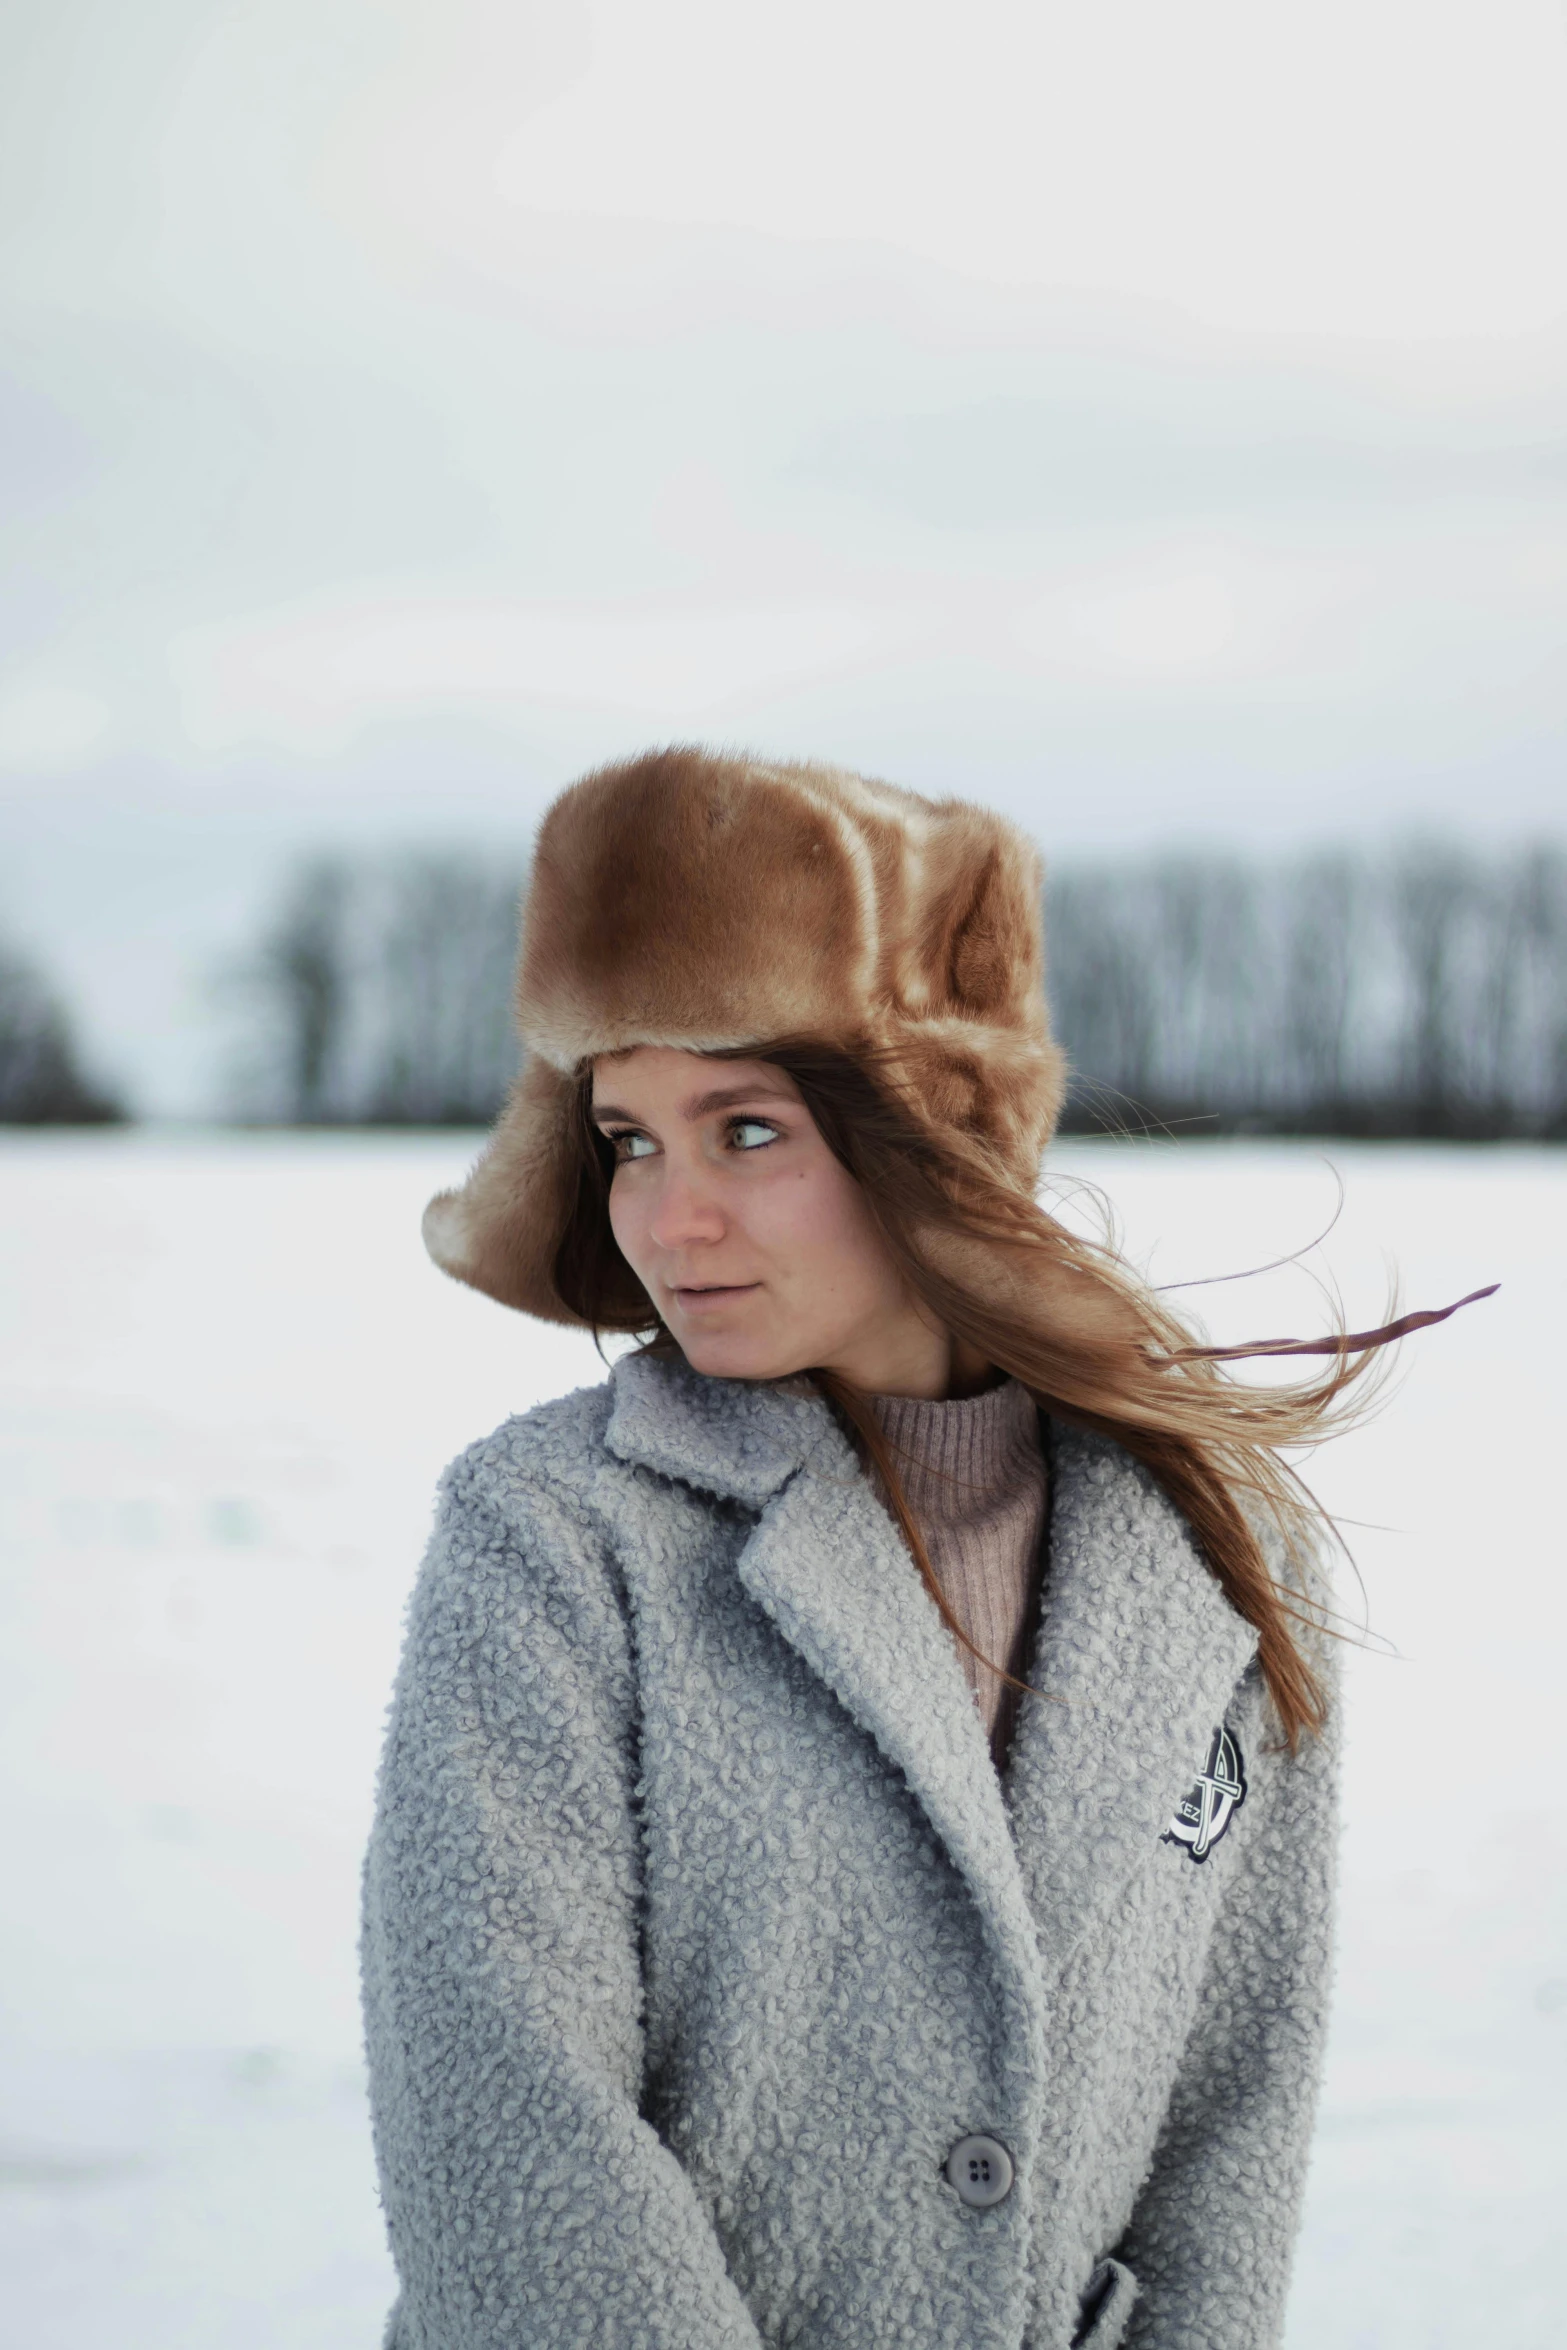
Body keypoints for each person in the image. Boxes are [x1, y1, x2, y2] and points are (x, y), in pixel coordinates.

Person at [358, 747, 1418, 2349]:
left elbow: (1233, 2120)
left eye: (746, 1129)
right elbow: (503, 2116)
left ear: (932, 1130)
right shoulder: (558, 1534)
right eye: (629, 1137)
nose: (669, 1216)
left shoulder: (1218, 1550)